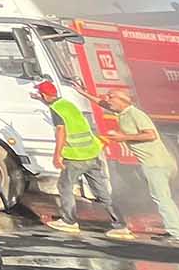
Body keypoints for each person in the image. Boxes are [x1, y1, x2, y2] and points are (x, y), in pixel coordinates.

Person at [38, 81, 133, 239]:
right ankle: (121, 225)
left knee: (65, 186)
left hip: (75, 156)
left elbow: (61, 131)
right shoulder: (68, 104)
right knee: (101, 192)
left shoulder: (56, 109)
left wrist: (57, 155)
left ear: (43, 95)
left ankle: (69, 222)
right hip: (91, 154)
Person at [100, 89, 179, 242]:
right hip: (158, 162)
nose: (107, 99)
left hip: (155, 163)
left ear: (122, 100)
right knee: (164, 198)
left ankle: (178, 234)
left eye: (111, 97)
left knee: (161, 198)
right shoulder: (123, 113)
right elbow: (101, 103)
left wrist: (124, 137)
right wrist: (82, 92)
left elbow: (151, 135)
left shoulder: (135, 114)